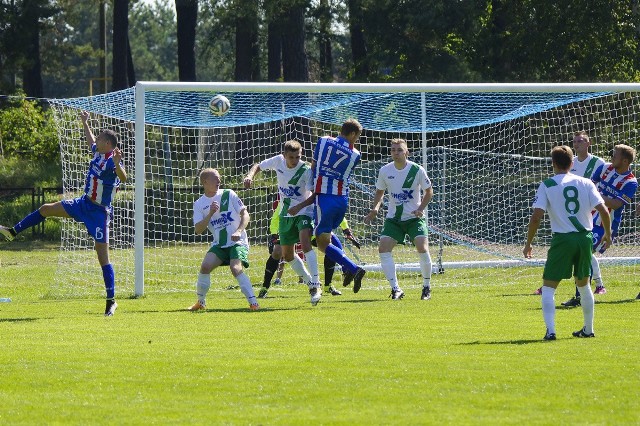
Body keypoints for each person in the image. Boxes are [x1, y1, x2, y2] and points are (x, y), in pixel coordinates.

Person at [0, 111, 126, 316]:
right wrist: (85, 123)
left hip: (99, 213)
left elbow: (124, 177)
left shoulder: (113, 160)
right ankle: (13, 232)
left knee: (102, 256)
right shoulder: (98, 152)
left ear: (109, 144)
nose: (99, 139)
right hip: (82, 203)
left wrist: (119, 164)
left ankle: (111, 301)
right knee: (45, 209)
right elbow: (90, 141)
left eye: (102, 137)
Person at [524, 145, 612, 340]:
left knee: (548, 288)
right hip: (584, 238)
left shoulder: (547, 184)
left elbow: (536, 217)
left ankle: (551, 331)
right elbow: (604, 211)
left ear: (553, 164)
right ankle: (588, 330)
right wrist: (608, 234)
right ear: (572, 163)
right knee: (584, 285)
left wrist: (528, 243)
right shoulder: (586, 182)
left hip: (562, 239)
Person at [289, 118, 367, 293]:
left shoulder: (324, 140)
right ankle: (347, 268)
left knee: (322, 243)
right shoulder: (356, 154)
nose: (357, 140)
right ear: (353, 134)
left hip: (324, 198)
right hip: (342, 200)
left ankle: (353, 268)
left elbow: (314, 165)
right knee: (328, 235)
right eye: (358, 137)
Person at [244, 140, 322, 306]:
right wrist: (250, 176)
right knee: (287, 255)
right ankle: (310, 284)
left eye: (297, 156)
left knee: (305, 241)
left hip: (303, 211)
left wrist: (299, 207)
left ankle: (316, 283)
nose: (294, 160)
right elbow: (258, 165)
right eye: (291, 157)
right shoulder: (277, 161)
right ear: (284, 155)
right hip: (286, 214)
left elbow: (313, 195)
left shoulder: (305, 170)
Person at [561, 144, 638, 307]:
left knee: (584, 253)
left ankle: (582, 297)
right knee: (580, 255)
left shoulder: (631, 182)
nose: (612, 157)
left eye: (615, 155)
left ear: (625, 161)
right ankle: (582, 296)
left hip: (604, 225)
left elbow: (617, 204)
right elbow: (589, 185)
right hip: (586, 218)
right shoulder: (604, 168)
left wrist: (596, 196)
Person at [363, 138, 434, 300]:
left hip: (414, 219)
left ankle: (426, 287)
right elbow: (379, 192)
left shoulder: (416, 170)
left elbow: (429, 191)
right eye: (393, 150)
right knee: (383, 249)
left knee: (422, 248)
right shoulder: (385, 171)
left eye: (399, 150)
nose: (396, 152)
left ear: (406, 152)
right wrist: (375, 209)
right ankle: (396, 289)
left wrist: (420, 209)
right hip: (394, 219)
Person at [257, 197, 361, 298]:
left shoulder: (316, 196)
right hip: (289, 227)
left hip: (308, 228)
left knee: (329, 245)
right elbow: (277, 214)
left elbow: (331, 211)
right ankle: (265, 287)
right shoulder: (291, 195)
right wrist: (274, 234)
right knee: (277, 252)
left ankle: (328, 285)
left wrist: (346, 229)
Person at [187, 168, 259, 311]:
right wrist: (210, 213)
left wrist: (239, 231)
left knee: (235, 268)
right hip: (220, 244)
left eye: (219, 178)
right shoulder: (199, 204)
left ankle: (253, 303)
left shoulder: (229, 194)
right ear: (205, 182)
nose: (219, 180)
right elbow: (198, 230)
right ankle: (200, 302)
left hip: (237, 242)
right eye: (215, 178)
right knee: (205, 267)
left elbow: (245, 215)